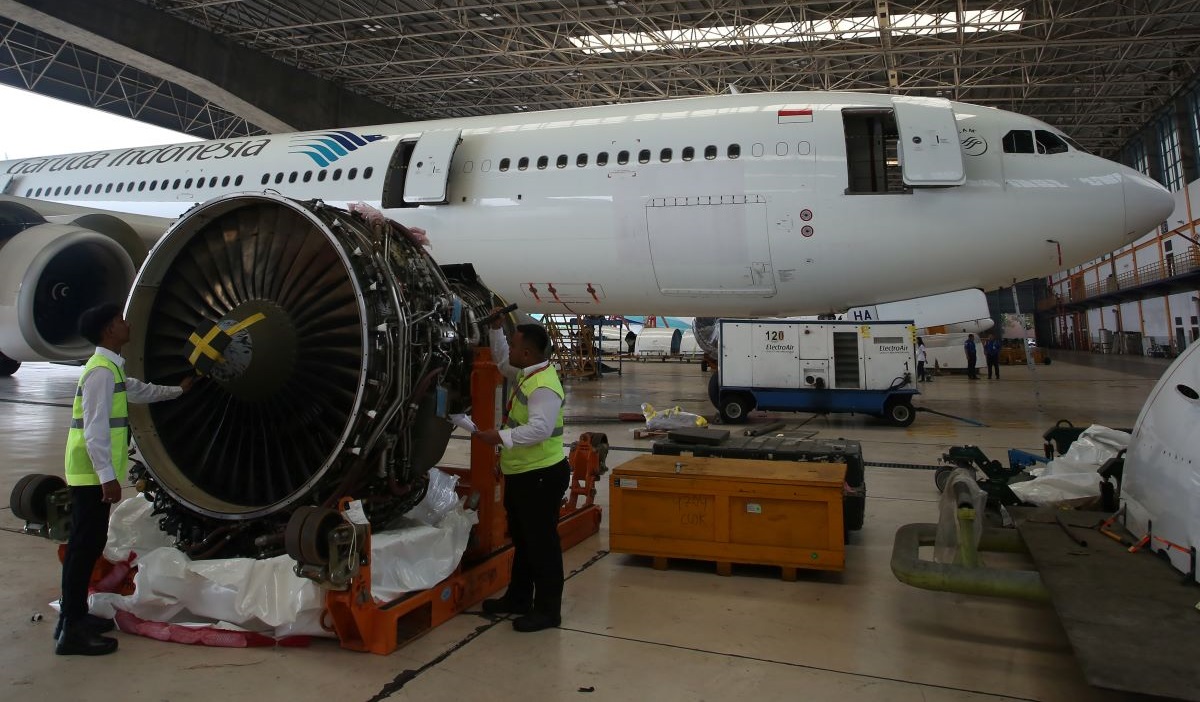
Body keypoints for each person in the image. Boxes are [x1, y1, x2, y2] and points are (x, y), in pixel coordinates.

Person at [57, 303, 194, 656]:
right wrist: (107, 478)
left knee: (84, 545)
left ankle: (74, 617)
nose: (126, 323)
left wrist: (178, 390)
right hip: (90, 475)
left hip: (92, 473)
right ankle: (72, 630)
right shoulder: (101, 373)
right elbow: (95, 431)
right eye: (119, 321)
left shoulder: (110, 370)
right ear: (108, 332)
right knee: (83, 547)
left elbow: (140, 390)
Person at [475, 312, 570, 633]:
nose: (511, 350)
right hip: (523, 473)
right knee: (524, 540)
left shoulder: (543, 385)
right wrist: (495, 331)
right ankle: (518, 599)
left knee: (542, 545)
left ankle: (547, 611)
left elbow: (540, 429)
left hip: (541, 476)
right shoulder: (530, 372)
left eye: (515, 344)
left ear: (527, 353)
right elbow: (503, 363)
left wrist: (499, 437)